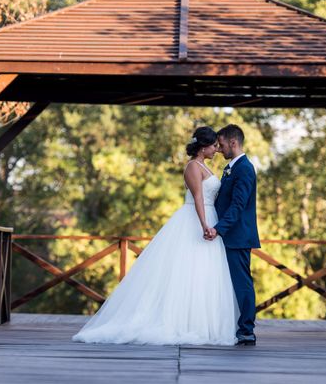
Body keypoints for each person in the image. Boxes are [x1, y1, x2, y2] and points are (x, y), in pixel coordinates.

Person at [72, 126, 238, 345]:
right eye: (213, 146)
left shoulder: (204, 166)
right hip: (196, 219)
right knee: (187, 271)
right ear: (203, 147)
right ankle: (179, 322)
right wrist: (204, 224)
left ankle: (200, 323)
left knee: (204, 273)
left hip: (211, 218)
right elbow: (198, 197)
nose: (216, 150)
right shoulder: (192, 167)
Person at [205, 124, 260, 346]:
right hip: (228, 235)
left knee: (242, 283)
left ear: (233, 143)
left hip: (237, 236)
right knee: (228, 283)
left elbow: (238, 205)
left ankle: (247, 329)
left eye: (222, 144)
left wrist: (219, 228)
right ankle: (231, 325)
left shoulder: (244, 168)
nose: (219, 149)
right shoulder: (231, 167)